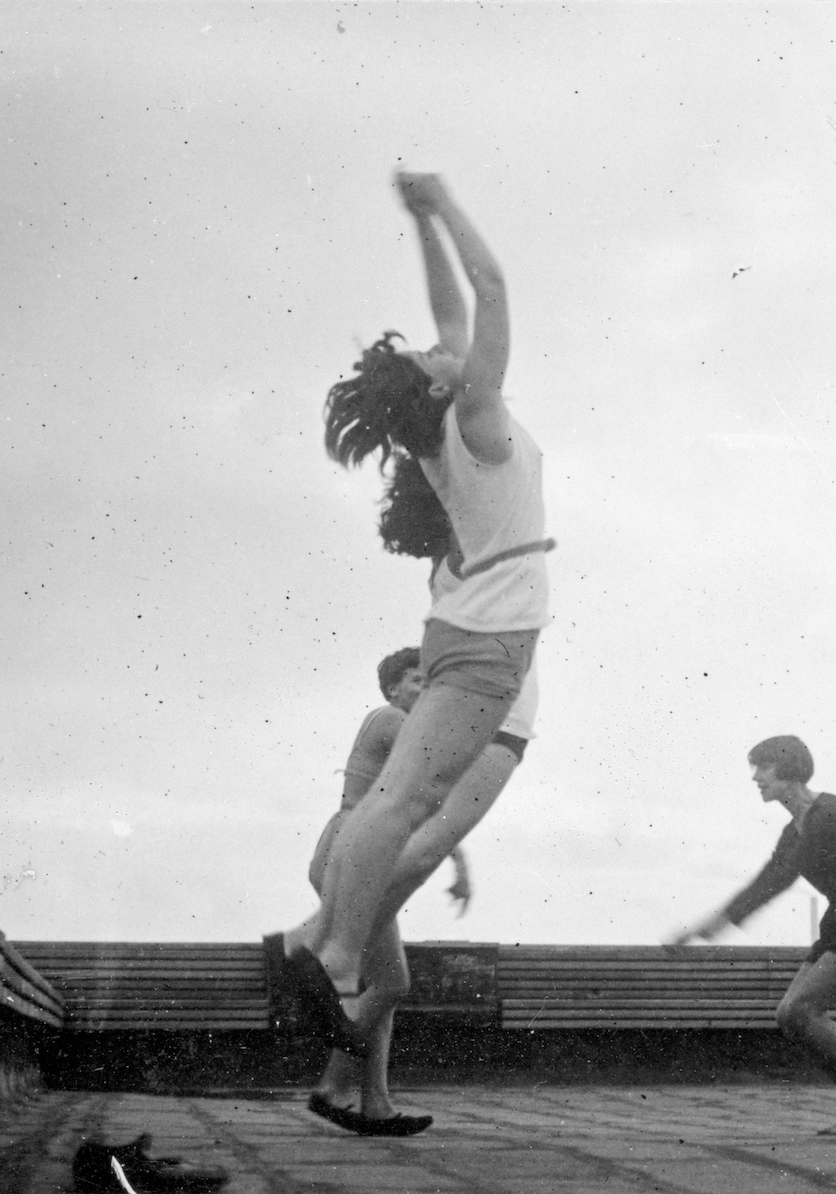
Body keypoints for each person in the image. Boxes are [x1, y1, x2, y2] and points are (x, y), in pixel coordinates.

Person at [279, 171, 549, 1081]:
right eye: (438, 356)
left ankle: (326, 943)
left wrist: (422, 222)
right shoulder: (479, 421)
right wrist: (449, 202)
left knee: (404, 801)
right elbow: (495, 290)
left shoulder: (441, 429)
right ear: (440, 386)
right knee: (407, 806)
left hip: (459, 635)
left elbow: (454, 311)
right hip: (491, 649)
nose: (448, 347)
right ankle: (333, 951)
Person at [295, 646, 535, 1136]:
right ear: (391, 690)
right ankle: (331, 1084)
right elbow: (449, 770)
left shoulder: (406, 731)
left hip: (363, 850)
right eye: (417, 683)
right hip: (354, 849)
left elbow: (428, 803)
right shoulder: (389, 720)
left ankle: (373, 1104)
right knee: (390, 984)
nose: (428, 693)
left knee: (385, 985)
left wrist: (460, 863)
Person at [672, 736, 836, 1135]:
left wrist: (710, 925)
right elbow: (769, 879)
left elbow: (777, 880)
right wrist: (706, 926)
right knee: (791, 1014)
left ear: (789, 769)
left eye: (762, 767)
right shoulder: (794, 830)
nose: (755, 777)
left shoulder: (830, 813)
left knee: (801, 1010)